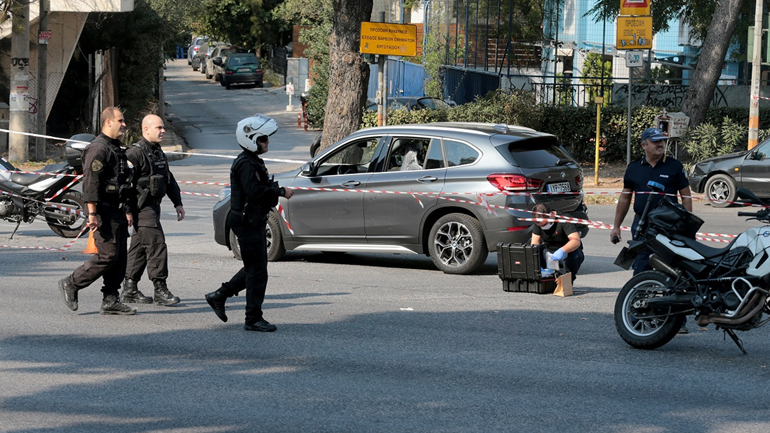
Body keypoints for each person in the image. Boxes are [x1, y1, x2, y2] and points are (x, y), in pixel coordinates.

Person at [205, 114, 294, 332]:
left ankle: (220, 295)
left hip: (252, 221)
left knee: (255, 269)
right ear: (251, 139)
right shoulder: (245, 164)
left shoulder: (252, 161)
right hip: (247, 222)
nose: (267, 142)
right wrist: (280, 191)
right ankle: (252, 318)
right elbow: (255, 192)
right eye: (263, 139)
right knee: (257, 272)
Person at [610, 127, 692, 333]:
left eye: (662, 142)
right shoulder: (634, 168)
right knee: (641, 268)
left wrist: (687, 224)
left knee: (674, 270)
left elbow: (686, 196)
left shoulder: (674, 166)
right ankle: (637, 315)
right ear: (644, 145)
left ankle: (677, 320)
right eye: (655, 142)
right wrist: (616, 227)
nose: (660, 145)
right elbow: (625, 198)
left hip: (669, 225)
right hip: (643, 225)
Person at [57, 107, 137, 315]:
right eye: (120, 121)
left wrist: (127, 208)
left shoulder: (116, 148)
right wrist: (91, 213)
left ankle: (111, 299)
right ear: (108, 122)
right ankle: (71, 283)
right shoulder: (98, 149)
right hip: (102, 211)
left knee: (119, 258)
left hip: (117, 211)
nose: (124, 124)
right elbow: (91, 183)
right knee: (107, 255)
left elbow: (123, 181)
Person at [120, 114, 185, 306]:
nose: (163, 131)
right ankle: (160, 289)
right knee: (157, 244)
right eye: (158, 128)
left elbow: (168, 178)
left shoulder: (157, 152)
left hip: (153, 206)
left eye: (163, 127)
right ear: (145, 130)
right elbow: (123, 183)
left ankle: (129, 289)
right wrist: (126, 209)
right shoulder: (134, 153)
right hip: (141, 207)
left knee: (139, 247)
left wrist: (178, 202)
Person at [530, 203, 584, 282]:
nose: (543, 227)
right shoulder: (538, 223)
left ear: (551, 215)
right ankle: (541, 279)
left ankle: (567, 281)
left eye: (545, 224)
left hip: (565, 252)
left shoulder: (564, 219)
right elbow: (534, 244)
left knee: (576, 256)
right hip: (549, 251)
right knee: (532, 253)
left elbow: (576, 241)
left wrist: (562, 250)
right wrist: (535, 262)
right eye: (540, 225)